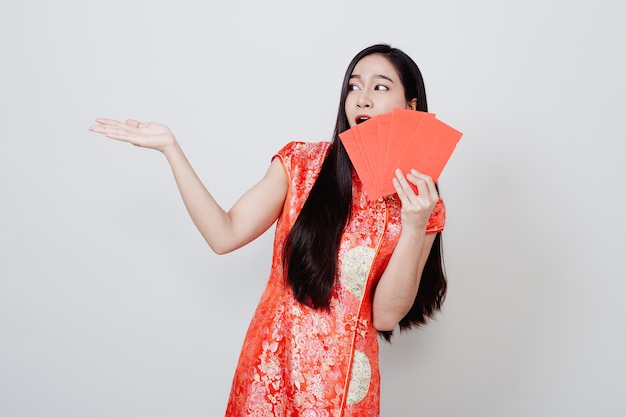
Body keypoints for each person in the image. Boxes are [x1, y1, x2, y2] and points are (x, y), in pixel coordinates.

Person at [89, 44, 447, 417]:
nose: (363, 99)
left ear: (411, 108)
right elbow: (224, 234)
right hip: (270, 373)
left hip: (342, 391)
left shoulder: (424, 205)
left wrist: (414, 223)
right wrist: (171, 149)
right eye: (354, 87)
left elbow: (385, 316)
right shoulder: (303, 164)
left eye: (380, 87)